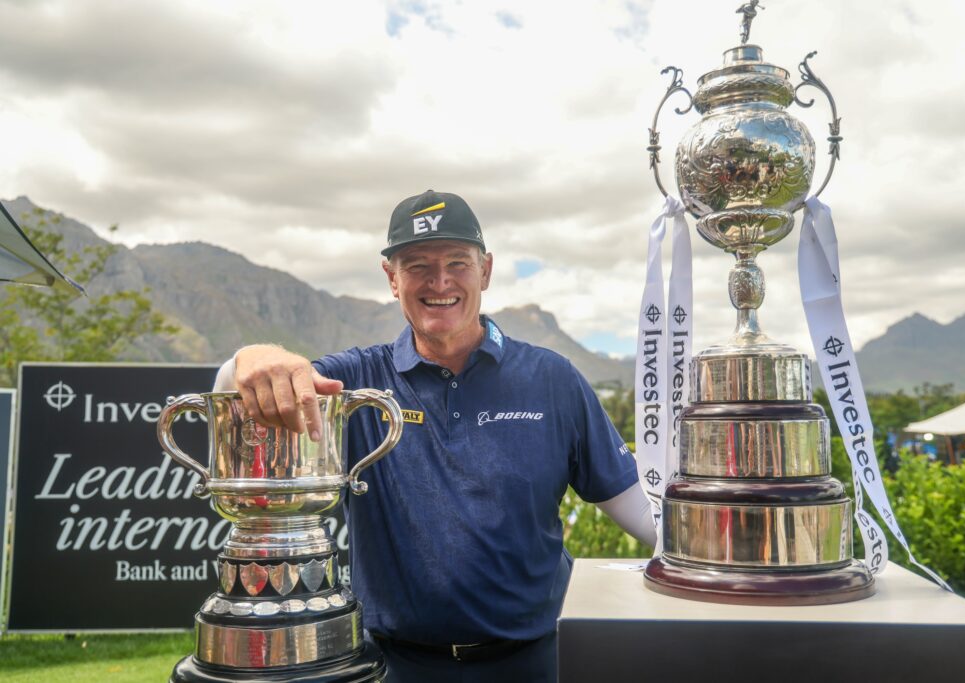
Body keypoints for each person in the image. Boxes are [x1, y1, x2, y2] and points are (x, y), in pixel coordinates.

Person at [214, 189, 655, 682]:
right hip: (394, 667)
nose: (440, 281)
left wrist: (713, 563)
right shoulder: (356, 381)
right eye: (418, 265)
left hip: (535, 661)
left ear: (485, 270)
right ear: (391, 278)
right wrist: (249, 360)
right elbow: (239, 390)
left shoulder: (553, 378)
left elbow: (636, 505)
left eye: (457, 263)